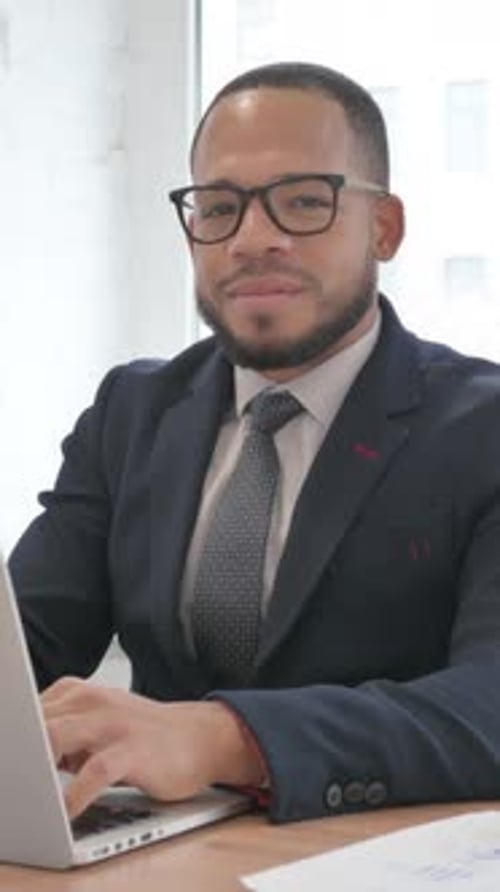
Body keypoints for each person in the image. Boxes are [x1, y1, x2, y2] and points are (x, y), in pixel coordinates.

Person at [9, 61, 500, 825]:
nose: (252, 239)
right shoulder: (133, 411)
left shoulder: (482, 428)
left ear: (385, 227)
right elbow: (27, 648)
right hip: (162, 862)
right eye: (219, 207)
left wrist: (223, 736)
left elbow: (489, 704)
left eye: (304, 201)